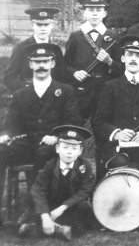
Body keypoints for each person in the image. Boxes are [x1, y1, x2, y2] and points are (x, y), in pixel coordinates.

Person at [0, 43, 82, 223]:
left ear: (53, 64)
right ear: (30, 65)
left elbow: (73, 123)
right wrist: (6, 134)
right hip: (26, 143)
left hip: (52, 146)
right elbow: (11, 124)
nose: (42, 66)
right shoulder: (21, 93)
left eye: (46, 61)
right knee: (1, 151)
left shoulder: (65, 91)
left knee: (43, 153)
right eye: (37, 62)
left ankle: (33, 210)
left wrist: (57, 137)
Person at [91, 35, 139, 184]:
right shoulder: (110, 86)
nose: (133, 59)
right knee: (118, 162)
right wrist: (117, 134)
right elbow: (99, 121)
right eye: (129, 55)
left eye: (138, 55)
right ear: (122, 59)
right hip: (119, 147)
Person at [18, 125, 95, 240]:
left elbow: (85, 191)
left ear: (80, 151)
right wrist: (45, 216)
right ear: (57, 149)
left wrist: (62, 208)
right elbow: (38, 189)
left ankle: (36, 229)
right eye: (65, 147)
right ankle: (59, 229)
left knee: (84, 207)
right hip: (52, 206)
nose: (69, 152)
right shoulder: (50, 165)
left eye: (74, 149)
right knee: (32, 199)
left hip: (70, 207)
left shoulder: (84, 166)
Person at [64, 0, 121, 120]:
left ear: (105, 13)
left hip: (104, 87)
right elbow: (65, 64)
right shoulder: (76, 36)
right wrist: (74, 73)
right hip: (81, 88)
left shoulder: (113, 36)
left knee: (102, 123)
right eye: (90, 10)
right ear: (84, 13)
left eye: (99, 10)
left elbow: (121, 66)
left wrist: (109, 61)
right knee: (76, 122)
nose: (94, 13)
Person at [4, 7, 66, 92]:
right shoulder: (20, 48)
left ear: (52, 26)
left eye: (46, 25)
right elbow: (9, 78)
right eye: (39, 25)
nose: (43, 28)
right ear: (32, 25)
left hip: (51, 96)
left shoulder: (56, 49)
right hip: (28, 96)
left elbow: (62, 75)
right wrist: (26, 90)